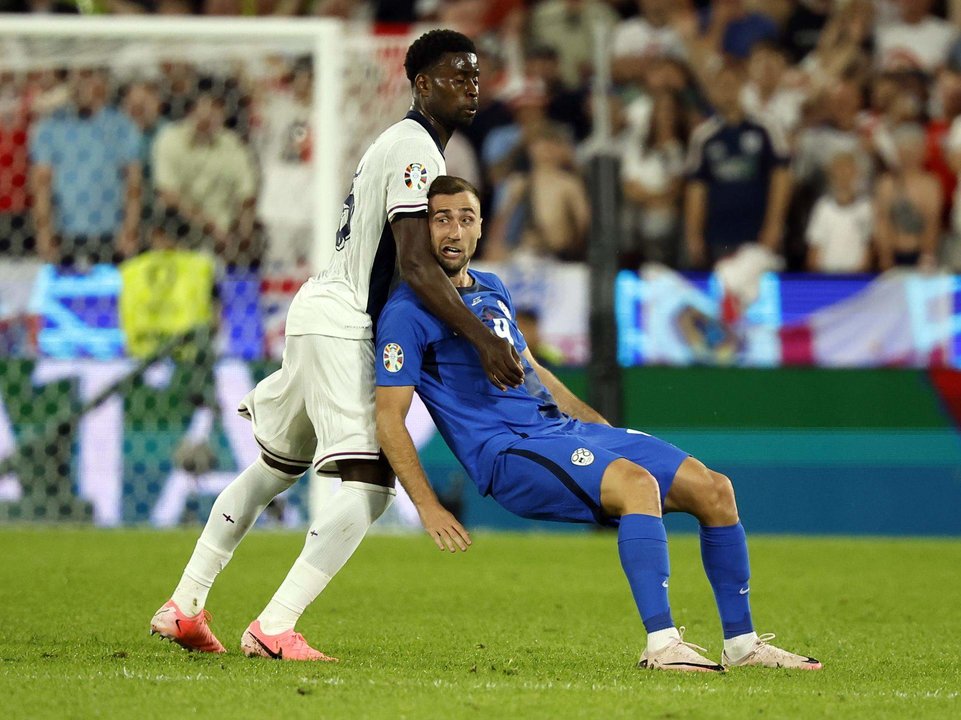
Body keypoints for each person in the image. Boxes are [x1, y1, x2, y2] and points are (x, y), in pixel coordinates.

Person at [149, 29, 523, 662]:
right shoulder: (414, 152)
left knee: (272, 470)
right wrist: (482, 335)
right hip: (342, 320)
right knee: (373, 487)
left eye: (476, 75)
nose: (471, 85)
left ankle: (184, 605)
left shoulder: (404, 145)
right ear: (421, 83)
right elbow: (414, 260)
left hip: (319, 307)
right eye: (457, 75)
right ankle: (274, 626)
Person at [375, 175, 821, 673]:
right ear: (424, 231)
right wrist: (428, 505)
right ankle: (662, 644)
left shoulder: (493, 289)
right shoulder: (406, 313)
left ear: (481, 229)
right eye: (441, 219)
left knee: (715, 489)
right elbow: (389, 418)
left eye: (465, 218)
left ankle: (742, 646)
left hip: (559, 433)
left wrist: (597, 429)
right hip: (507, 452)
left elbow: (536, 374)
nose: (454, 230)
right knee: (638, 485)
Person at [684, 62, 791, 268]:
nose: (727, 92)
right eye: (721, 86)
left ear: (742, 87)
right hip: (718, 235)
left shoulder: (766, 127)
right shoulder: (703, 136)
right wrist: (694, 235)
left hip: (758, 232)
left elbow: (781, 176)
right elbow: (697, 187)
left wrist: (774, 225)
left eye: (731, 85)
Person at [806, 150, 873, 273]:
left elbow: (868, 246)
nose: (843, 175)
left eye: (847, 169)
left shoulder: (866, 207)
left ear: (856, 173)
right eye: (839, 169)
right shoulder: (823, 207)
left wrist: (860, 275)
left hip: (855, 277)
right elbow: (815, 246)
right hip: (827, 275)